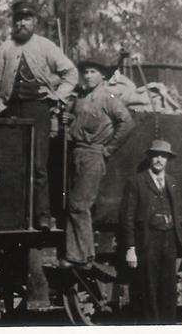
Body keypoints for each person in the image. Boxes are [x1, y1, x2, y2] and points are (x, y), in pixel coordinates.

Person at [0, 0, 78, 231]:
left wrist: (58, 96)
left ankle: (42, 216)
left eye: (27, 19)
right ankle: (10, 213)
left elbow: (71, 73)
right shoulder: (6, 48)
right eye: (18, 19)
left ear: (34, 22)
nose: (22, 23)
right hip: (11, 110)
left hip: (38, 110)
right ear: (13, 22)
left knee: (38, 164)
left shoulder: (45, 46)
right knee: (10, 163)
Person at [61, 59, 133, 268]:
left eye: (93, 71)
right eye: (86, 72)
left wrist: (109, 149)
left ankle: (82, 257)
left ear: (103, 76)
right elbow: (74, 120)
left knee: (79, 204)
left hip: (93, 155)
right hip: (77, 153)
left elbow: (127, 122)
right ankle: (78, 254)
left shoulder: (108, 98)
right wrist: (68, 118)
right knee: (75, 205)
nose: (88, 75)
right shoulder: (82, 97)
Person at [120, 139, 182, 324]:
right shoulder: (136, 182)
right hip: (148, 241)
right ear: (150, 158)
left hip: (169, 240)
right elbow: (128, 217)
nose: (159, 159)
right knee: (148, 289)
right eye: (156, 155)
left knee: (168, 288)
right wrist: (130, 247)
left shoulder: (172, 182)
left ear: (168, 160)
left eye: (163, 156)